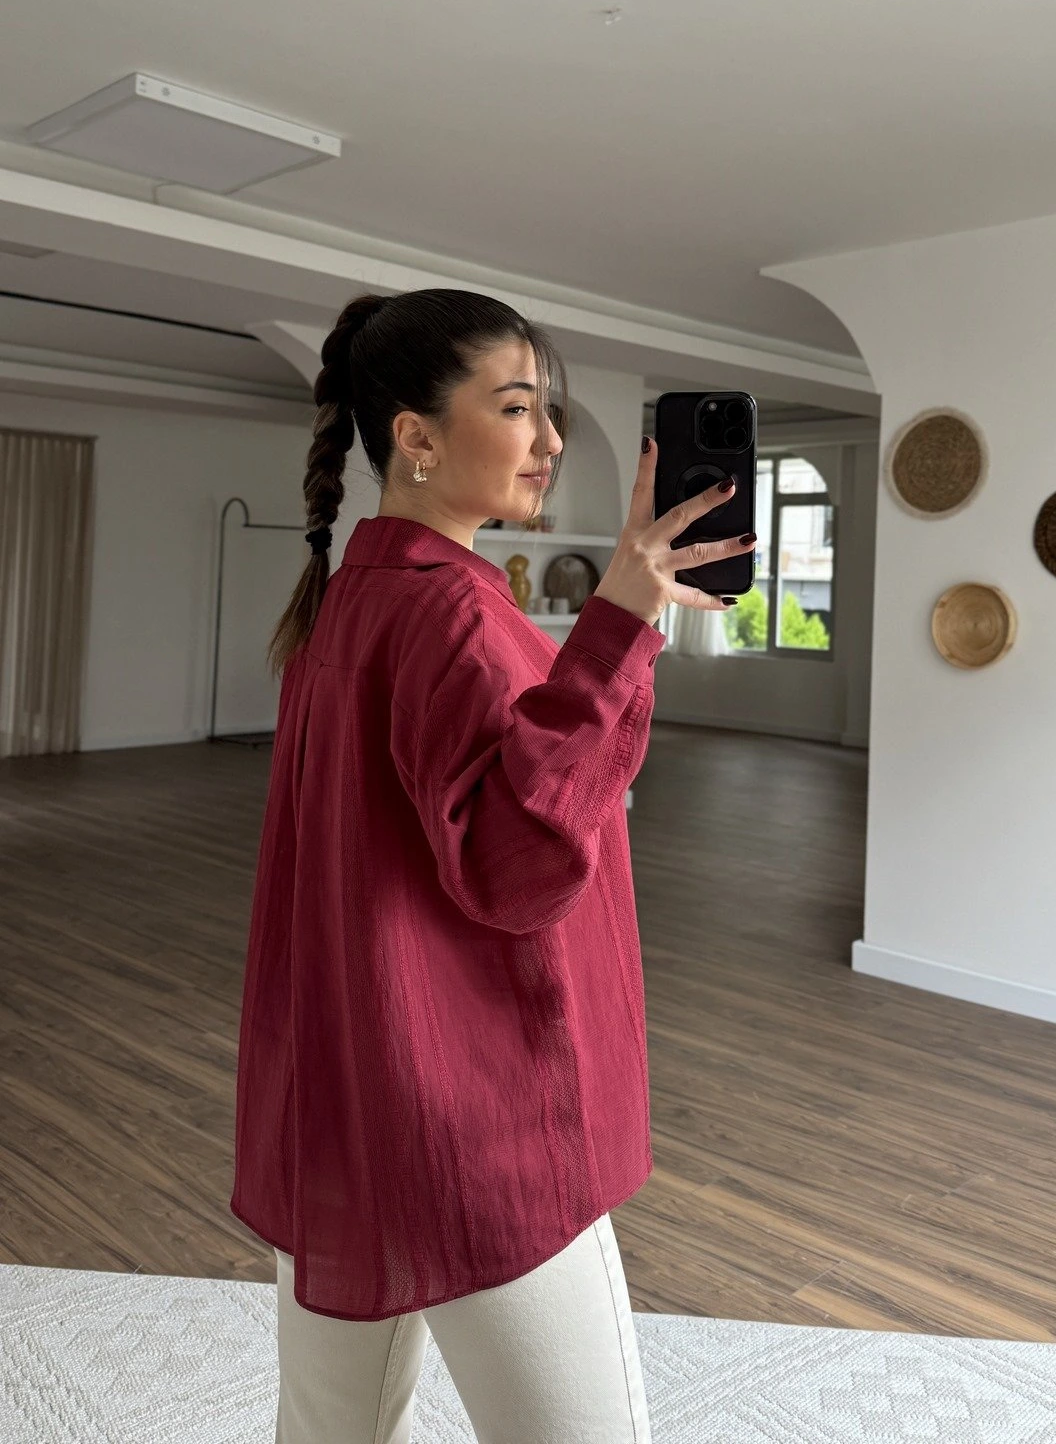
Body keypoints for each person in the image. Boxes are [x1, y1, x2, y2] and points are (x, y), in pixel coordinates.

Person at [229, 287, 755, 1443]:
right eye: (517, 408)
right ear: (414, 436)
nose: (551, 439)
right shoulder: (451, 616)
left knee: (327, 1429)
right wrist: (618, 625)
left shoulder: (351, 598)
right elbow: (513, 866)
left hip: (345, 1094)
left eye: (548, 409)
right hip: (476, 1108)